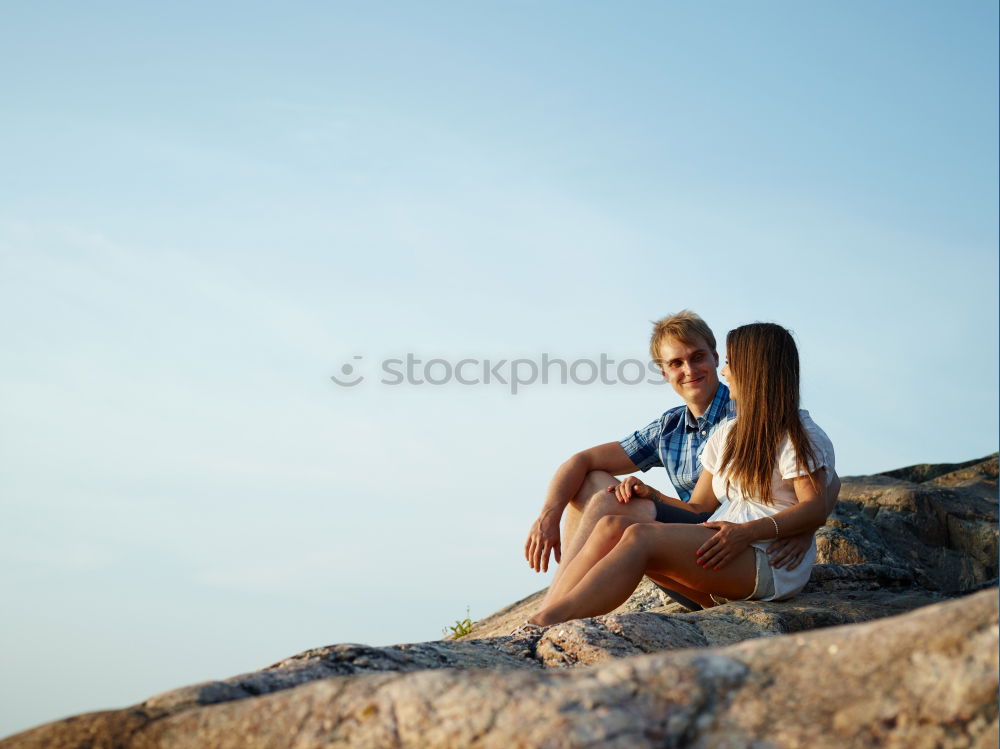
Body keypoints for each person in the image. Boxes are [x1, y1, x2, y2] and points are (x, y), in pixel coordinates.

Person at [520, 322, 836, 628]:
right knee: (612, 525)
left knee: (639, 536)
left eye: (728, 362)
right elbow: (699, 508)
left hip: (767, 559)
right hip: (721, 549)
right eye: (676, 363)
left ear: (754, 369)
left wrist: (757, 532)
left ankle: (549, 622)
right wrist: (653, 495)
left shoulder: (799, 435)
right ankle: (544, 618)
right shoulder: (727, 433)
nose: (725, 372)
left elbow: (816, 502)